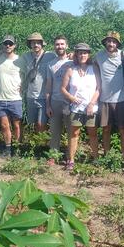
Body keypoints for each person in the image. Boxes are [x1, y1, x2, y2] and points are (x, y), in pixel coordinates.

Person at [94, 31, 124, 168]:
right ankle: (107, 156)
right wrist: (72, 56)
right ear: (105, 42)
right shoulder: (99, 56)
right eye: (109, 41)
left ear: (117, 44)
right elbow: (89, 61)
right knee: (106, 129)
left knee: (122, 128)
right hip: (104, 99)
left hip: (121, 99)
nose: (111, 44)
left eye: (114, 41)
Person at [61, 43, 101, 170]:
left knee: (92, 133)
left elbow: (99, 89)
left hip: (91, 108)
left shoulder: (94, 69)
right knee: (74, 134)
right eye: (80, 53)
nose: (82, 55)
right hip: (76, 108)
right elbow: (63, 89)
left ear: (88, 55)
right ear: (76, 54)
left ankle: (96, 158)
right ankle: (71, 160)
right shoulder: (71, 70)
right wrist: (71, 98)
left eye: (85, 53)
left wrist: (92, 103)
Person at [20, 32, 56, 132]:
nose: (35, 45)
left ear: (42, 44)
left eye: (38, 43)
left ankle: (43, 141)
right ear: (30, 45)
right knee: (35, 123)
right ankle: (38, 140)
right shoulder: (26, 56)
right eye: (33, 43)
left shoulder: (51, 55)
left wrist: (71, 55)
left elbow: (62, 58)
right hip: (30, 96)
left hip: (44, 96)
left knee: (41, 123)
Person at [45, 35, 73, 163]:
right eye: (57, 44)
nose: (60, 46)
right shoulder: (50, 64)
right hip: (55, 101)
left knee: (71, 131)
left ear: (67, 46)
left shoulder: (73, 61)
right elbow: (48, 86)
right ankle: (53, 155)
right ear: (54, 47)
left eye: (62, 44)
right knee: (54, 131)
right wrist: (48, 105)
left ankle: (70, 156)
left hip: (70, 102)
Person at [0, 35, 23, 157]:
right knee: (4, 125)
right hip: (1, 98)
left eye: (10, 44)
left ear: (14, 46)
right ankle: (8, 149)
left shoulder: (20, 60)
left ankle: (17, 148)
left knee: (16, 125)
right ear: (3, 45)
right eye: (5, 43)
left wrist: (24, 86)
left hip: (15, 98)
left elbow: (28, 74)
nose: (8, 46)